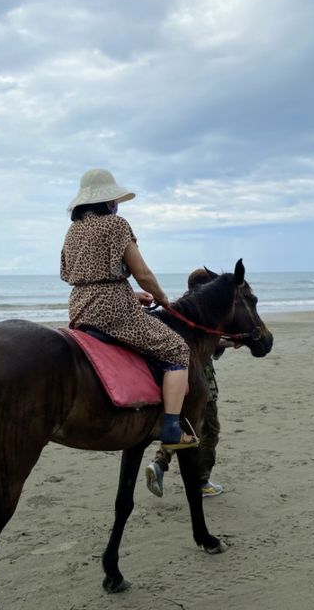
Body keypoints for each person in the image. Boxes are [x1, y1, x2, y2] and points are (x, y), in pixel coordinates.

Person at [61, 168, 197, 449]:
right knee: (177, 349)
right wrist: (162, 297)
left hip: (80, 308)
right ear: (110, 201)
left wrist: (130, 294)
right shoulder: (116, 225)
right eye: (115, 200)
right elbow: (143, 273)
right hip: (113, 310)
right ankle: (171, 428)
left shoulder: (72, 230)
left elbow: (71, 274)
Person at [145, 268, 233, 498]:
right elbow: (205, 346)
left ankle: (159, 464)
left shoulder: (181, 310)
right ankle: (201, 482)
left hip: (174, 382)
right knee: (209, 431)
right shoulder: (202, 312)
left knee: (181, 427)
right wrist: (228, 343)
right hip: (198, 382)